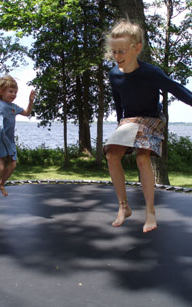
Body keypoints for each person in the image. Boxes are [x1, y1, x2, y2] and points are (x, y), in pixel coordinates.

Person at [104, 19, 192, 233]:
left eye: (122, 51)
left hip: (152, 118)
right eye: (113, 52)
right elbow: (118, 100)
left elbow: (177, 89)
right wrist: (119, 125)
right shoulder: (114, 74)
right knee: (111, 154)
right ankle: (124, 207)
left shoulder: (151, 73)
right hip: (129, 120)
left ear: (137, 48)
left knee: (142, 158)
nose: (117, 57)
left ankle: (150, 212)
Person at [0, 75, 36, 203]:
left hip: (8, 142)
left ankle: (1, 184)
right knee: (2, 167)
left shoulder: (14, 107)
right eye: (10, 91)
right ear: (1, 92)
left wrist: (30, 101)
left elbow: (26, 113)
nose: (13, 94)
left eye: (15, 92)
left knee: (13, 165)